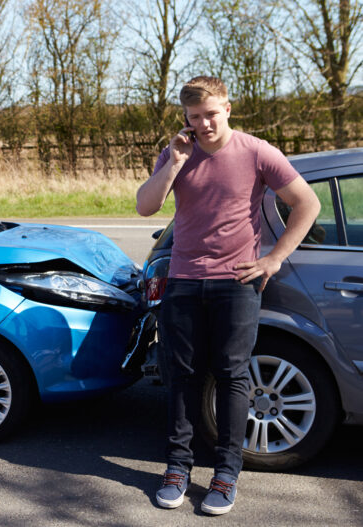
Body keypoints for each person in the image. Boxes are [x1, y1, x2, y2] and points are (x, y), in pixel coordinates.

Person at [136, 77, 319, 515]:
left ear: (228, 109)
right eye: (194, 117)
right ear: (185, 117)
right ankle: (177, 469)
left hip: (236, 283)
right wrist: (174, 163)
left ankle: (225, 474)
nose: (204, 124)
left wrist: (273, 259)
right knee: (181, 375)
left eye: (211, 114)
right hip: (183, 279)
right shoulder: (179, 152)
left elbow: (306, 203)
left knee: (232, 375)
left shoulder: (257, 152)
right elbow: (145, 206)